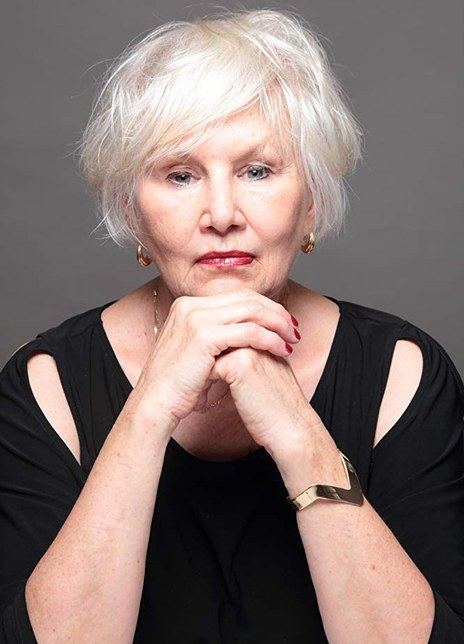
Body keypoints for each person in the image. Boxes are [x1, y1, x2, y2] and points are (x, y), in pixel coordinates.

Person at [1, 8, 463, 643]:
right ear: (131, 211)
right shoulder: (46, 383)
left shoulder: (404, 374)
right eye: (180, 175)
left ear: (311, 202)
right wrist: (151, 407)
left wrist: (299, 434)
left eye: (257, 171)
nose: (221, 213)